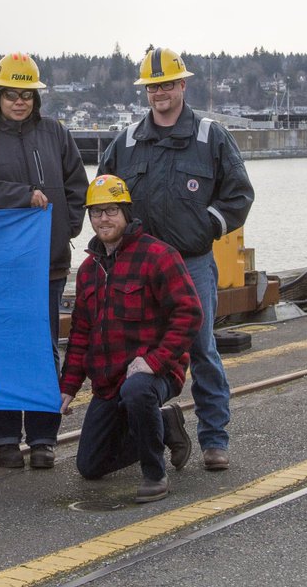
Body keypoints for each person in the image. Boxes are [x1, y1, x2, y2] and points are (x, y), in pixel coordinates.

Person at [98, 46, 254, 471]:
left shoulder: (210, 136)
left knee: (201, 348)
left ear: (183, 85)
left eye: (167, 84)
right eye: (153, 87)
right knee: (139, 350)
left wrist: (206, 227)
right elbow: (105, 195)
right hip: (141, 268)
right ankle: (153, 428)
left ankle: (214, 439)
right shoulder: (127, 141)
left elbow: (239, 194)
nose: (159, 93)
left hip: (192, 263)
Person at [0, 52, 87, 469]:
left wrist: (66, 227)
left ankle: (44, 438)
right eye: (11, 94)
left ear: (36, 97)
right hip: (0, 266)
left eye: (26, 95)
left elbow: (76, 184)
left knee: (43, 350)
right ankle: (5, 439)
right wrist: (21, 196)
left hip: (48, 265)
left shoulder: (56, 134)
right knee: (2, 348)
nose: (19, 102)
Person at [60, 174, 202, 502]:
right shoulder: (88, 270)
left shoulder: (158, 256)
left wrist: (154, 361)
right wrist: (68, 387)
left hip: (156, 373)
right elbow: (81, 332)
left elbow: (190, 313)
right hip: (109, 380)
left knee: (137, 390)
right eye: (96, 212)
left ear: (126, 212)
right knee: (90, 465)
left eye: (111, 210)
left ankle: (155, 475)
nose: (103, 219)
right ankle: (163, 426)